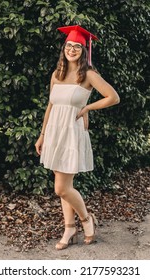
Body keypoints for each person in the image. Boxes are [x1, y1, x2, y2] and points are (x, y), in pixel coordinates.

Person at [35, 25, 120, 250]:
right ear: (64, 48)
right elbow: (50, 106)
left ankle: (85, 219)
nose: (72, 49)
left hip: (71, 132)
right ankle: (69, 227)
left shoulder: (88, 75)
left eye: (77, 47)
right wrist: (42, 135)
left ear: (84, 50)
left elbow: (113, 97)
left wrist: (87, 108)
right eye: (69, 46)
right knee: (65, 185)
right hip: (54, 131)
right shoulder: (57, 74)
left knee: (61, 188)